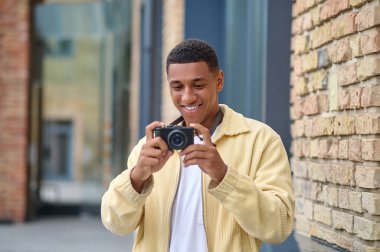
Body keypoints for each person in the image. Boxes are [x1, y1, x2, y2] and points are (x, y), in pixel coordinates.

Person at [101, 39, 294, 252]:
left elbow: (278, 227)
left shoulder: (261, 141)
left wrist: (223, 175)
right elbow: (115, 223)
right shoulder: (148, 149)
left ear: (219, 80)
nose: (187, 96)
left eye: (198, 85)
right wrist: (137, 178)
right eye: (177, 86)